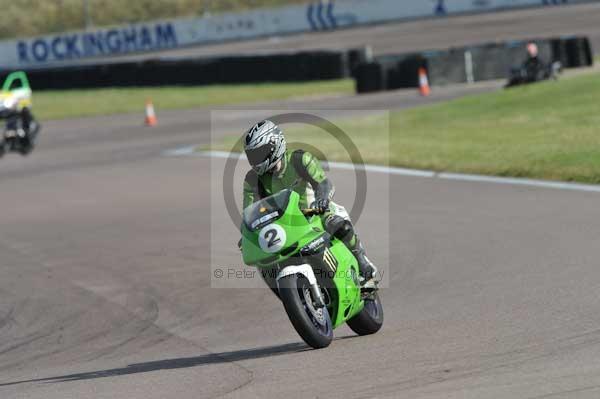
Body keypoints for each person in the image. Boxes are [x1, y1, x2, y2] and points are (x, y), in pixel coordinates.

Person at [242, 120, 379, 290]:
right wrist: (247, 234)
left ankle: (363, 263)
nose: (255, 161)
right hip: (284, 226)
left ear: (275, 145)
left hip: (314, 213)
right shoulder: (252, 179)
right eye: (252, 156)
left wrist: (321, 200)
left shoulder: (300, 159)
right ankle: (289, 293)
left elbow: (324, 183)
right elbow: (248, 212)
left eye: (259, 154)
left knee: (336, 223)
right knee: (263, 260)